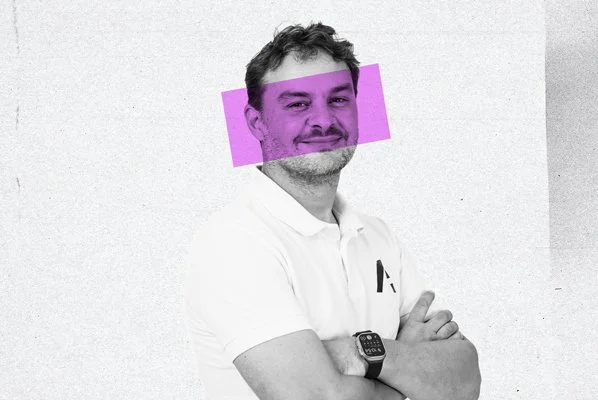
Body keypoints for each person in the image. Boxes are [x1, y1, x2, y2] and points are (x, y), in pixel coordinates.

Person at [184, 22, 481, 400]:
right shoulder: (234, 241)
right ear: (257, 123)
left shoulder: (379, 236)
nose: (323, 120)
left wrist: (358, 353)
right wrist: (406, 370)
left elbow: (465, 382)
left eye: (338, 100)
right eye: (297, 104)